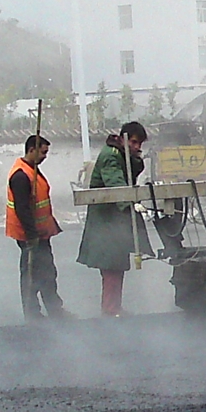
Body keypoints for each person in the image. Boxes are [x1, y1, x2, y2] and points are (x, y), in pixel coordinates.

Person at [77, 121, 148, 316]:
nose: (137, 147)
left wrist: (134, 157)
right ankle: (110, 309)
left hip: (114, 219)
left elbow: (133, 170)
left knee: (117, 265)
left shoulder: (123, 155)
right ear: (123, 138)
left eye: (139, 144)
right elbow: (116, 185)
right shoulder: (111, 156)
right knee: (111, 266)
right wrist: (130, 204)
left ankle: (114, 307)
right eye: (134, 142)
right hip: (106, 221)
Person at [6, 134, 66, 320]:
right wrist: (32, 236)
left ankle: (55, 311)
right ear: (31, 150)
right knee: (31, 275)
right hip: (29, 236)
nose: (45, 156)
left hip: (41, 234)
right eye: (43, 152)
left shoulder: (32, 170)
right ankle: (33, 315)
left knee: (48, 273)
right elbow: (22, 209)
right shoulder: (20, 176)